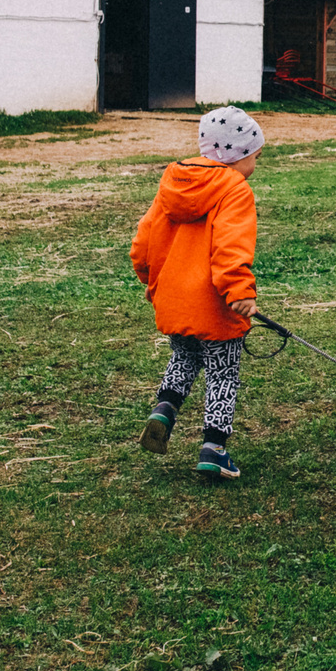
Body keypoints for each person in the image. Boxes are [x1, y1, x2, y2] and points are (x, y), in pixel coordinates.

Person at [130, 106, 266, 482]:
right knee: (222, 372)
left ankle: (164, 410)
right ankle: (214, 450)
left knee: (184, 356)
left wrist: (152, 279)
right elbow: (230, 246)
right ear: (237, 155)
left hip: (174, 298)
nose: (256, 164)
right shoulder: (235, 190)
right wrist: (240, 290)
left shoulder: (174, 182)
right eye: (255, 156)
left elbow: (143, 240)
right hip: (215, 304)